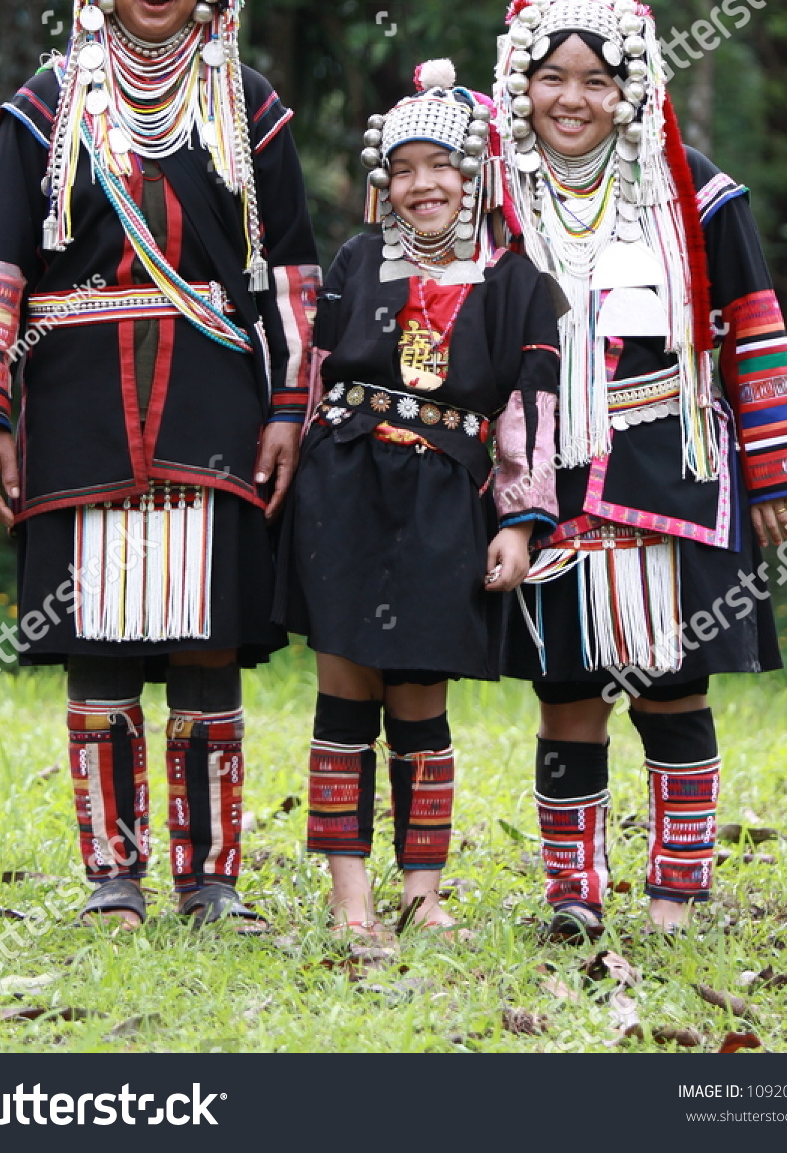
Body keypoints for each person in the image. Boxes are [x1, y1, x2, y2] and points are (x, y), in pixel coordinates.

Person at [0, 0, 320, 930]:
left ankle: (212, 882)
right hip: (72, 405)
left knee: (205, 640)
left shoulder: (250, 108)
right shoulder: (47, 107)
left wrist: (290, 406)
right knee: (97, 644)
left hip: (214, 404)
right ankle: (114, 879)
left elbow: (288, 270)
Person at [493, 0, 787, 938]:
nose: (572, 99)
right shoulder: (495, 198)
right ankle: (573, 894)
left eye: (597, 80)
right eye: (553, 76)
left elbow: (752, 328)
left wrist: (777, 465)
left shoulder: (697, 195)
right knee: (568, 690)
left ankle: (677, 891)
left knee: (672, 683)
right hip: (547, 471)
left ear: (631, 90)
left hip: (675, 468)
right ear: (523, 83)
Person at [280, 59, 562, 939]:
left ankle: (422, 891)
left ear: (479, 175)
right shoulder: (358, 262)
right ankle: (348, 896)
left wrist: (520, 520)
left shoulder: (520, 283)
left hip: (446, 501)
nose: (420, 184)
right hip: (344, 485)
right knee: (344, 690)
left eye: (440, 165)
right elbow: (310, 371)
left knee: (418, 699)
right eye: (400, 168)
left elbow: (529, 414)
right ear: (381, 182)